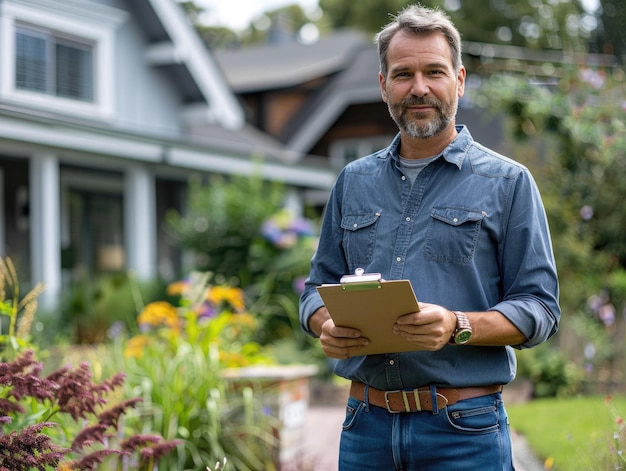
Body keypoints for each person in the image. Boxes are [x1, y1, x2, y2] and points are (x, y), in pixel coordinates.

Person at [299, 4, 560, 470]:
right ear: (383, 86)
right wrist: (326, 326)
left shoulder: (508, 183)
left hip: (464, 431)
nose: (418, 88)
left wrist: (459, 325)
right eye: (403, 74)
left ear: (458, 80)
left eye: (433, 72)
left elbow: (540, 307)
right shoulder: (351, 183)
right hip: (365, 430)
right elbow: (315, 289)